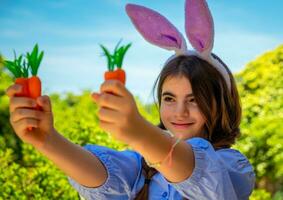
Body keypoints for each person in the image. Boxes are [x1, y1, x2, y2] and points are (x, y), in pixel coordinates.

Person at [5, 0, 255, 199]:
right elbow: (101, 176)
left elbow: (193, 168)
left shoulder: (233, 167)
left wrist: (138, 132)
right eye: (169, 98)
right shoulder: (140, 166)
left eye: (194, 99)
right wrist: (49, 140)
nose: (179, 111)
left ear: (222, 103)